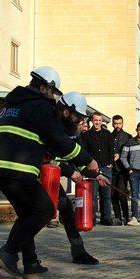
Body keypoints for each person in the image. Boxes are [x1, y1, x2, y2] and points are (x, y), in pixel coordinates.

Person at [0, 66, 101, 279]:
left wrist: (86, 169)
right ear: (44, 87)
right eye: (53, 92)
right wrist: (88, 160)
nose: (53, 97)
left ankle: (30, 262)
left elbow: (49, 145)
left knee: (28, 213)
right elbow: (60, 143)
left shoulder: (10, 105)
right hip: (16, 169)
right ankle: (8, 252)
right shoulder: (41, 107)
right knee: (45, 210)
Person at [51, 92, 103, 265]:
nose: (80, 122)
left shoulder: (72, 131)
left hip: (49, 175)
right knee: (35, 213)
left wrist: (97, 175)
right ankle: (14, 251)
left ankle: (78, 252)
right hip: (33, 173)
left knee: (65, 210)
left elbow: (78, 158)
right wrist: (69, 172)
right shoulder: (51, 125)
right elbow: (50, 157)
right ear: (66, 111)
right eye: (78, 117)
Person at [81, 112, 116, 225]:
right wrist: (88, 164)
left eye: (100, 120)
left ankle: (106, 218)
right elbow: (85, 152)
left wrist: (110, 163)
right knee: (93, 195)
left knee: (106, 195)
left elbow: (112, 150)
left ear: (102, 121)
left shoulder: (108, 134)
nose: (98, 122)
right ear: (92, 120)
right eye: (96, 120)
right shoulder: (86, 135)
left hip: (106, 167)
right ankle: (92, 218)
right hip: (92, 169)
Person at [111, 115, 131, 224]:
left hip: (123, 170)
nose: (118, 125)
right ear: (113, 123)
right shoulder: (108, 136)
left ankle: (126, 217)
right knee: (113, 195)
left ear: (122, 123)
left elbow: (130, 154)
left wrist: (120, 154)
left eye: (119, 123)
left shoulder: (128, 136)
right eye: (116, 123)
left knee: (121, 194)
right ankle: (118, 217)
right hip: (111, 170)